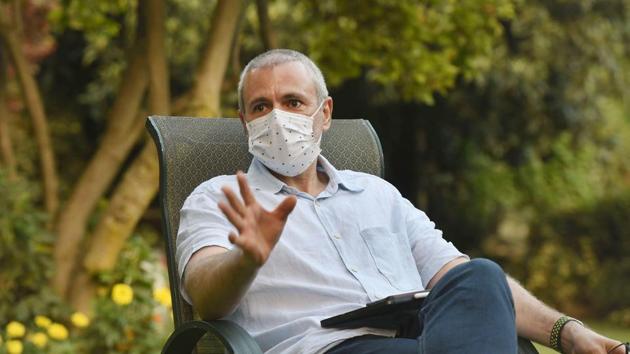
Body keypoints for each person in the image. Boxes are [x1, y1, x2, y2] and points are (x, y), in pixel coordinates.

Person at [176, 49, 627, 354]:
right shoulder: (220, 197)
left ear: (325, 113)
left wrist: (566, 332)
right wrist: (245, 259)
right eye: (260, 107)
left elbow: (458, 279)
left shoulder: (377, 193)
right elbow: (204, 294)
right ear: (244, 121)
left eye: (293, 102)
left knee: (481, 274)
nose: (277, 117)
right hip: (326, 349)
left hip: (422, 340)